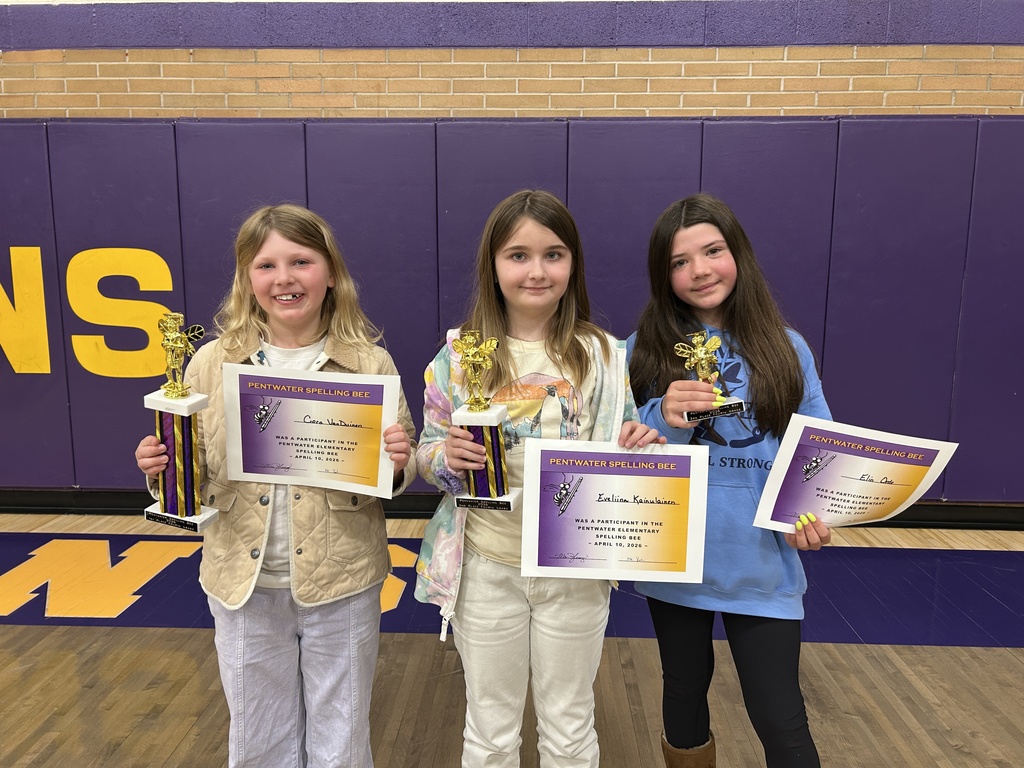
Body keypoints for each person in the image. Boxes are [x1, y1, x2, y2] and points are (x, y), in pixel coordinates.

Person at [135, 204, 416, 768]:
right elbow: (198, 467)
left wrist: (397, 460)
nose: (284, 278)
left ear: (330, 273)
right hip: (243, 581)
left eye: (301, 261)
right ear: (247, 279)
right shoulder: (210, 364)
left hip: (342, 581)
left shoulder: (369, 362)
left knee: (341, 735)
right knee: (258, 734)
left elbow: (397, 476)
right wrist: (160, 466)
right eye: (266, 265)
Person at [414, 189, 662, 768]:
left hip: (572, 570)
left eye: (553, 254)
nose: (536, 270)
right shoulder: (458, 355)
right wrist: (444, 459)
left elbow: (624, 443)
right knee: (490, 731)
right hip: (485, 566)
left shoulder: (602, 354)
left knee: (570, 727)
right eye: (518, 255)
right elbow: (424, 456)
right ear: (493, 265)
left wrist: (637, 445)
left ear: (572, 264)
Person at [627, 193, 831, 768]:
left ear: (736, 253)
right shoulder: (639, 351)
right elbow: (608, 439)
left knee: (779, 713)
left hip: (762, 561)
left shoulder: (788, 349)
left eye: (712, 250)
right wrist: (654, 416)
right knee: (684, 696)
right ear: (662, 276)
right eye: (679, 261)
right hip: (675, 560)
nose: (700, 270)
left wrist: (816, 512)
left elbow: (819, 447)